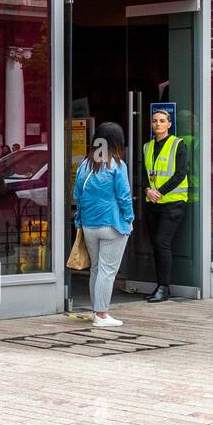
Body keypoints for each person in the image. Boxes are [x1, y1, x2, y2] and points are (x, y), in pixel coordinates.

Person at [72, 122, 134, 327]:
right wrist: (130, 219)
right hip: (112, 224)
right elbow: (124, 196)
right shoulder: (117, 165)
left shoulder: (85, 165)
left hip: (89, 225)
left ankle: (96, 311)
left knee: (97, 269)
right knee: (107, 271)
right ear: (117, 141)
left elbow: (77, 196)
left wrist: (79, 220)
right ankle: (101, 314)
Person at [141, 107, 187, 303]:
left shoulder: (178, 145)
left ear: (169, 124)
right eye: (154, 121)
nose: (157, 124)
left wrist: (159, 192)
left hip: (173, 204)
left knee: (162, 242)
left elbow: (180, 174)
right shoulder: (147, 147)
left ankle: (163, 287)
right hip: (153, 204)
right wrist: (147, 190)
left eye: (161, 121)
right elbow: (143, 173)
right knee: (156, 244)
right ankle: (160, 286)